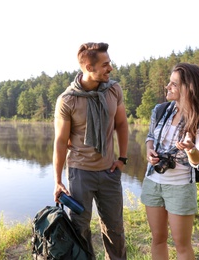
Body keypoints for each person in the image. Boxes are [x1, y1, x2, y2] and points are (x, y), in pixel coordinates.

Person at [53, 42, 128, 260]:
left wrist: (122, 158)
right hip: (80, 173)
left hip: (109, 172)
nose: (110, 68)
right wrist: (58, 181)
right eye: (105, 65)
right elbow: (60, 141)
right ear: (88, 67)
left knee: (115, 230)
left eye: (109, 63)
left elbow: (122, 124)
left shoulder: (114, 90)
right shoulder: (67, 100)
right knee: (80, 230)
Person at [141, 63, 199, 259]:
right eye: (169, 82)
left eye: (173, 84)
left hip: (180, 186)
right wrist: (150, 152)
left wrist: (191, 149)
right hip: (153, 182)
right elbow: (150, 137)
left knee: (181, 245)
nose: (167, 86)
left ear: (188, 88)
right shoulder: (160, 110)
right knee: (157, 239)